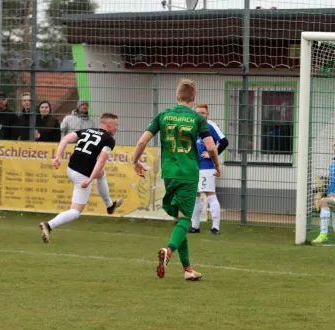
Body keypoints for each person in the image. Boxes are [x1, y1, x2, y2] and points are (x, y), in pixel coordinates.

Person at [131, 78, 221, 281]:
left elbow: (142, 140)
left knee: (180, 220)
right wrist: (216, 165)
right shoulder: (198, 118)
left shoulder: (163, 115)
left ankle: (188, 270)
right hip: (188, 173)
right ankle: (169, 251)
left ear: (176, 96)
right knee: (185, 220)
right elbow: (212, 147)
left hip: (169, 173)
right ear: (194, 98)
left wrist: (135, 160)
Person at [38, 113, 122, 243]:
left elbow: (65, 138)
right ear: (109, 124)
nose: (117, 128)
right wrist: (89, 179)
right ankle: (49, 225)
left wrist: (58, 157)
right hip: (82, 174)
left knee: (101, 174)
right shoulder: (109, 139)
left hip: (71, 168)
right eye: (116, 125)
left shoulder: (87, 130)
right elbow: (101, 161)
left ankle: (109, 205)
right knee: (76, 212)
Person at [189, 102, 229, 235]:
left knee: (210, 195)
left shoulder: (211, 126)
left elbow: (224, 141)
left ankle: (215, 228)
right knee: (195, 196)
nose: (199, 115)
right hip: (193, 167)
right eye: (197, 113)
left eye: (202, 113)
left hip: (207, 168)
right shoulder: (192, 126)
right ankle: (195, 226)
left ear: (207, 114)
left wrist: (213, 154)